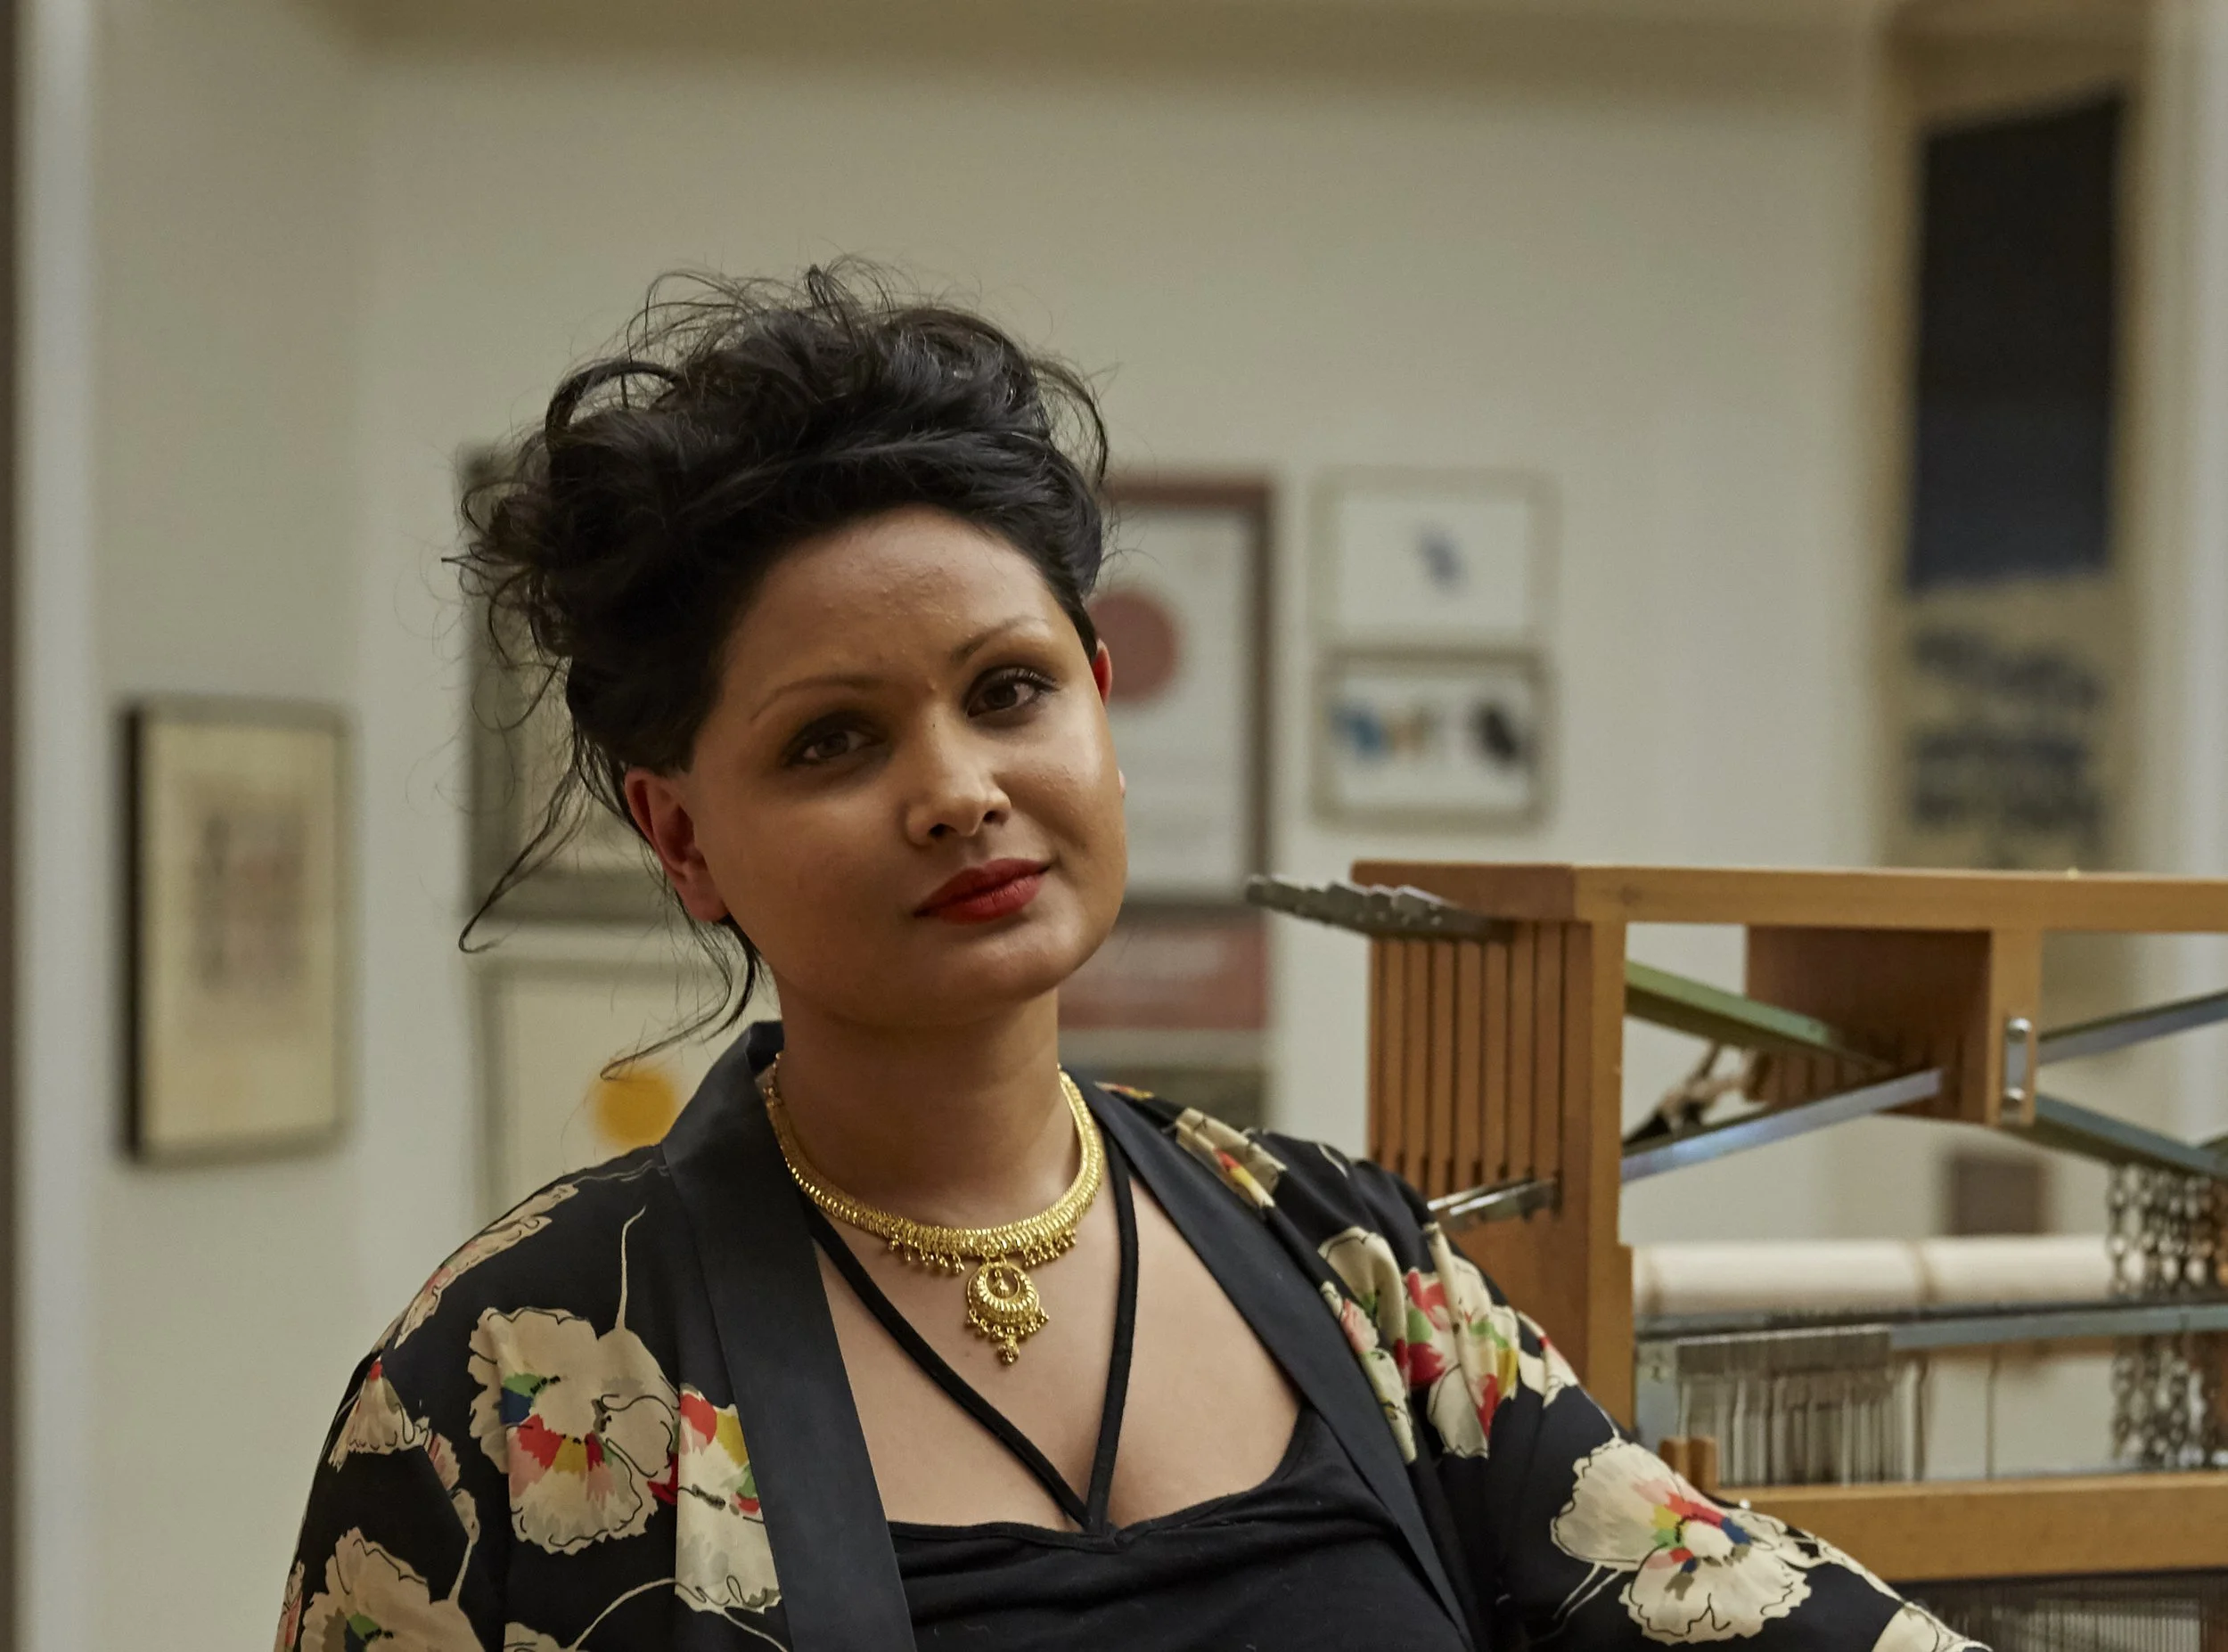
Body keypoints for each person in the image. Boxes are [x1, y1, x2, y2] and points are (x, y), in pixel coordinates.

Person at [277, 268, 1976, 1652]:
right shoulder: (509, 1375)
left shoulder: (1347, 1270)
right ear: (682, 836)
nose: (958, 790)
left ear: (1098, 690)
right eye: (834, 743)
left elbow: (1759, 1616)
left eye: (1009, 690)